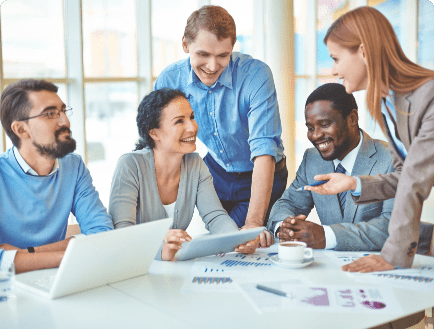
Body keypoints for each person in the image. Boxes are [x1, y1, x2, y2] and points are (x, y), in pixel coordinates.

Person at [305, 6, 434, 272]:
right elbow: (404, 176)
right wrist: (354, 183)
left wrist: (392, 256)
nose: (333, 70)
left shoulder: (428, 96)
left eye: (336, 58)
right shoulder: (388, 104)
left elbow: (414, 183)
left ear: (363, 51)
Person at [154, 5, 287, 247]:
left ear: (232, 49)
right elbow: (160, 147)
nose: (213, 66)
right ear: (185, 45)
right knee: (218, 244)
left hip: (263, 174)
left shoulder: (256, 75)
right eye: (203, 54)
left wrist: (254, 223)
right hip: (216, 173)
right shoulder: (170, 80)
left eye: (223, 55)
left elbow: (264, 150)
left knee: (242, 242)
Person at [109, 88, 258, 261]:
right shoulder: (130, 165)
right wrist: (160, 251)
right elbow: (122, 235)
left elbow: (215, 217)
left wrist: (238, 240)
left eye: (192, 117)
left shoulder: (195, 164)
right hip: (134, 268)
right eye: (179, 121)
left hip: (172, 269)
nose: (192, 127)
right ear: (154, 132)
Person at [267, 83, 398, 251]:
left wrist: (326, 235)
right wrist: (285, 227)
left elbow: (392, 227)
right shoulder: (312, 159)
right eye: (310, 128)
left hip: (378, 266)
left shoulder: (390, 159)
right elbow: (288, 203)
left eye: (325, 124)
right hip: (329, 266)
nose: (316, 135)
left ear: (352, 119)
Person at [0, 79, 113, 271]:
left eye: (63, 111)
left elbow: (102, 233)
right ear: (20, 129)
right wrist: (68, 255)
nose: (65, 121)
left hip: (59, 279)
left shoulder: (73, 166)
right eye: (50, 114)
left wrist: (26, 254)